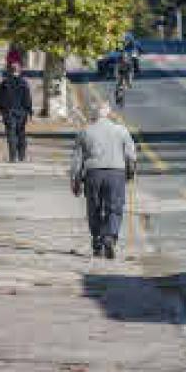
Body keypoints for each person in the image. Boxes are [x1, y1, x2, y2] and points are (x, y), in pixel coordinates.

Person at [70, 102, 137, 259]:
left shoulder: (85, 132)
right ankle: (109, 236)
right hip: (116, 173)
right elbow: (131, 155)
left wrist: (75, 179)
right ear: (108, 113)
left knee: (94, 208)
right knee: (115, 207)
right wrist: (130, 172)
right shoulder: (121, 131)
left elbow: (77, 160)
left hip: (93, 174)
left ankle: (97, 239)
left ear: (93, 114)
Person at [0, 62, 32, 162]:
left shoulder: (5, 83)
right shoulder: (24, 83)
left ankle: (13, 157)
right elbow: (27, 98)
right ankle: (22, 156)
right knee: (21, 133)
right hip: (21, 112)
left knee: (11, 134)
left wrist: (2, 111)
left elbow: (0, 98)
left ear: (9, 70)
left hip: (9, 112)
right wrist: (29, 111)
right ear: (19, 70)